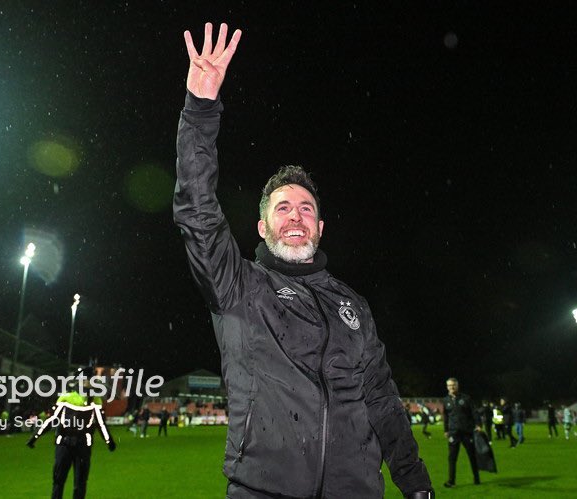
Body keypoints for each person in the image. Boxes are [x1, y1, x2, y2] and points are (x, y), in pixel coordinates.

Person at [173, 22, 433, 499]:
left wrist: (415, 484)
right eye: (283, 208)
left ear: (320, 227)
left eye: (306, 209)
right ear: (262, 228)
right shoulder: (239, 287)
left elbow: (382, 400)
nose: (295, 217)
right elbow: (197, 210)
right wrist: (200, 110)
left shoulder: (353, 306)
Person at [26, 367, 116, 499]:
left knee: (78, 482)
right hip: (66, 444)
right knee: (61, 481)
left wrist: (109, 441)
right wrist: (35, 437)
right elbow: (52, 419)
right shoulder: (67, 396)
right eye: (88, 378)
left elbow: (100, 423)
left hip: (79, 446)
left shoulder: (95, 399)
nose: (90, 381)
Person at [442, 378, 481, 488]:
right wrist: (446, 430)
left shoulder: (466, 398)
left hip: (466, 432)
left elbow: (474, 412)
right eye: (449, 385)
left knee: (472, 456)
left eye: (453, 385)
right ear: (447, 387)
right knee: (452, 458)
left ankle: (476, 478)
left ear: (457, 386)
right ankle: (451, 481)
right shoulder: (445, 400)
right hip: (453, 433)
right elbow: (445, 416)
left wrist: (478, 424)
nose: (452, 387)